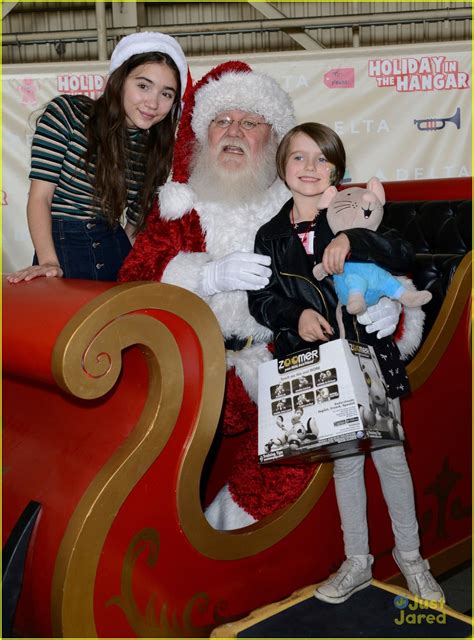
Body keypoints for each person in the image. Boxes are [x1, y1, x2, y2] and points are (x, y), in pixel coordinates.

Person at [118, 61, 409, 531]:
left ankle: (222, 533)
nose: (234, 131)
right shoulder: (180, 203)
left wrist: (387, 304)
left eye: (250, 122)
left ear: (272, 139)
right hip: (193, 364)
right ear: (204, 133)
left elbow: (363, 260)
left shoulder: (300, 203)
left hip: (277, 359)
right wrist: (207, 276)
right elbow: (135, 278)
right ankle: (152, 535)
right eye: (222, 121)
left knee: (301, 443)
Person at [248, 122, 444, 603]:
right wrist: (297, 315)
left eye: (322, 159)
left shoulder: (354, 212)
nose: (310, 168)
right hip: (312, 361)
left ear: (336, 169)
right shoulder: (269, 234)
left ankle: (412, 559)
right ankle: (358, 561)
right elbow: (262, 300)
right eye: (299, 157)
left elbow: (403, 252)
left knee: (390, 457)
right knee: (344, 465)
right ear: (282, 166)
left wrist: (354, 241)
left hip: (368, 356)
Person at [7, 31, 188, 283]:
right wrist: (49, 263)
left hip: (115, 253)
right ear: (120, 80)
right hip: (61, 255)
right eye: (143, 86)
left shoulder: (154, 149)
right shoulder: (67, 114)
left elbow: (133, 227)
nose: (153, 102)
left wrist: (132, 267)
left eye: (166, 94)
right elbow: (40, 198)